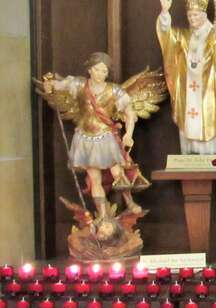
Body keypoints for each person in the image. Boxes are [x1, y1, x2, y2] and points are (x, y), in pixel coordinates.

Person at [39, 52, 147, 220]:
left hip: (105, 137)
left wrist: (129, 134)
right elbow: (61, 85)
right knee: (94, 178)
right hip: (85, 138)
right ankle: (103, 215)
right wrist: (50, 85)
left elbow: (129, 112)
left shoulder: (114, 91)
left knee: (118, 173)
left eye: (104, 71)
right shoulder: (80, 85)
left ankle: (130, 201)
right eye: (97, 69)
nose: (100, 74)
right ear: (90, 69)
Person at [156, 0, 216, 155]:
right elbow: (167, 37)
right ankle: (191, 153)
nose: (192, 19)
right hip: (187, 90)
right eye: (189, 15)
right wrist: (164, 12)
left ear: (204, 13)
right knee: (190, 122)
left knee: (208, 119)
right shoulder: (184, 37)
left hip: (209, 90)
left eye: (196, 15)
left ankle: (210, 153)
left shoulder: (214, 34)